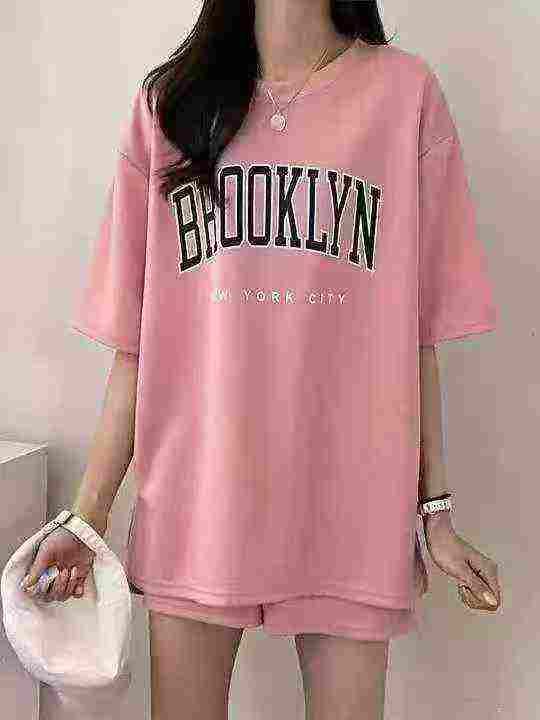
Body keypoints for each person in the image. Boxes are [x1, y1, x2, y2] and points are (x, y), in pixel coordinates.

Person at [21, 1, 502, 718]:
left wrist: (436, 513)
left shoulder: (405, 97)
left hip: (351, 510)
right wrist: (87, 519)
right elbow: (139, 346)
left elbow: (418, 333)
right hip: (198, 506)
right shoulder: (172, 105)